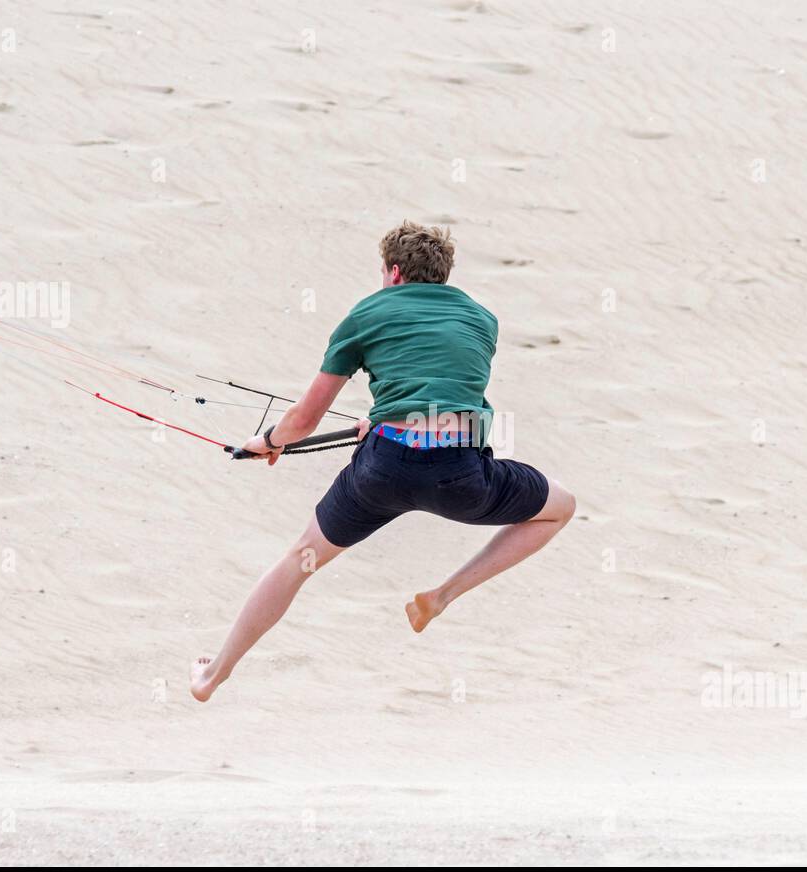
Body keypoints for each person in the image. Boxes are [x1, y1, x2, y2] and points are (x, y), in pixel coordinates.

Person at [191, 222, 575, 701]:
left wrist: (268, 441)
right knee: (561, 505)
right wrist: (386, 415)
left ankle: (214, 675)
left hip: (382, 470)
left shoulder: (366, 314)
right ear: (443, 275)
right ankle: (441, 597)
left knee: (299, 560)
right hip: (460, 477)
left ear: (394, 273)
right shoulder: (482, 320)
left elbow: (305, 419)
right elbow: (444, 389)